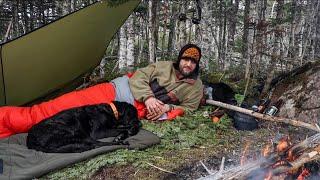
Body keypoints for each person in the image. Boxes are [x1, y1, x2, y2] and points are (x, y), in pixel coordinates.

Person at [0, 44, 203, 138]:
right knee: (48, 111)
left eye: (193, 61)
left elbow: (189, 108)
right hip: (114, 92)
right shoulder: (163, 66)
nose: (188, 64)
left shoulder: (195, 87)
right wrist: (149, 98)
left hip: (125, 111)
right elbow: (140, 77)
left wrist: (166, 106)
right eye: (186, 59)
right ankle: (5, 120)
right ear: (179, 58)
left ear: (197, 64)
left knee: (62, 123)